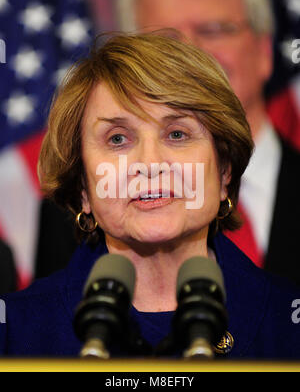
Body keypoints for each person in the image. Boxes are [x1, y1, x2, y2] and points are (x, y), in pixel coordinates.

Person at [0, 33, 300, 359]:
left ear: (224, 171)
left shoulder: (289, 325)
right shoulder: (13, 336)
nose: (150, 163)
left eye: (177, 133)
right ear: (83, 187)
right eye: (117, 139)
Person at [114, 0, 300, 286]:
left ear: (264, 50)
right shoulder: (89, 209)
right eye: (165, 40)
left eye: (213, 30)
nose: (191, 55)